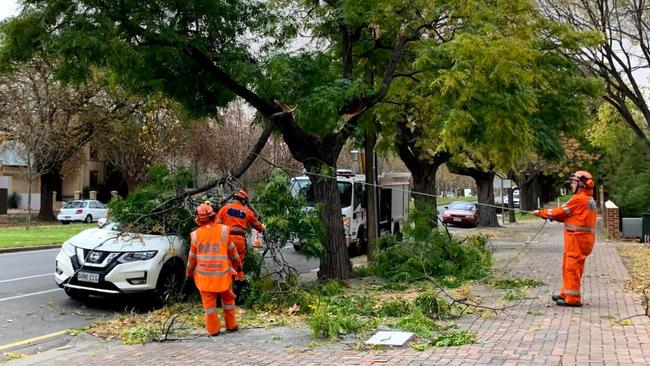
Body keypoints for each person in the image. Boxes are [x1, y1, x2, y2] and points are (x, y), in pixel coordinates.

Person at [532, 170, 597, 307]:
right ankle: (565, 293)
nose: (572, 184)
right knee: (569, 266)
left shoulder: (579, 199)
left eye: (574, 182)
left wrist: (541, 213)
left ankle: (573, 299)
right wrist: (554, 218)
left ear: (582, 184)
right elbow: (571, 217)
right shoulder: (588, 199)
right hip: (580, 239)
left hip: (577, 239)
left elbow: (560, 211)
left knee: (571, 268)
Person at [186, 204, 242, 336]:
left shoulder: (195, 235)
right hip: (223, 275)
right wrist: (238, 266)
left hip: (204, 278)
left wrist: (188, 273)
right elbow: (232, 251)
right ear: (213, 215)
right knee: (228, 301)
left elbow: (192, 258)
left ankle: (213, 330)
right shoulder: (223, 231)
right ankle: (231, 325)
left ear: (198, 218)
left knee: (209, 306)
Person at [215, 189, 266, 278]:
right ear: (244, 200)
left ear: (235, 198)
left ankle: (224, 284)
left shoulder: (224, 209)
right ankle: (238, 285)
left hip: (226, 239)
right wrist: (262, 227)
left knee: (224, 263)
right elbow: (257, 225)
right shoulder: (247, 212)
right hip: (239, 241)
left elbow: (216, 226)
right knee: (238, 265)